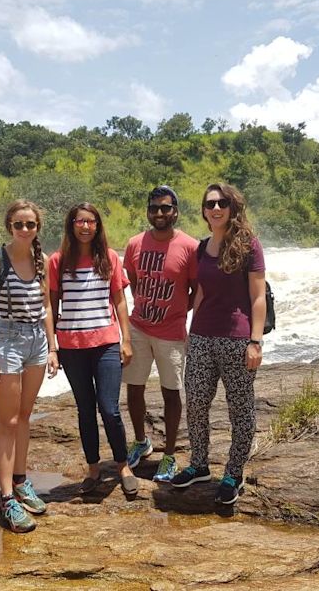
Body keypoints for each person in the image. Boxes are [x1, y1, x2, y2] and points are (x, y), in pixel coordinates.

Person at [170, 182, 266, 505]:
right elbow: (200, 292)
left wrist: (255, 341)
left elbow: (257, 297)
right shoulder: (202, 247)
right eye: (210, 203)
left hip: (237, 340)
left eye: (222, 202)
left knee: (240, 409)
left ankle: (234, 472)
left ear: (232, 207)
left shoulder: (249, 246)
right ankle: (199, 464)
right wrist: (190, 330)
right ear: (204, 210)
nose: (215, 208)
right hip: (201, 337)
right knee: (196, 401)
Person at [0, 200, 59, 533]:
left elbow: (47, 306)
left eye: (30, 225)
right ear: (9, 226)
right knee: (7, 420)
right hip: (6, 341)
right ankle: (7, 497)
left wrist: (53, 347)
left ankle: (22, 480)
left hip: (36, 341)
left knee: (25, 415)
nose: (25, 230)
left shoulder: (43, 261)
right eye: (19, 224)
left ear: (38, 228)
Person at [48, 202, 138, 496]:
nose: (85, 226)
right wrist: (53, 346)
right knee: (85, 409)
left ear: (98, 226)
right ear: (71, 225)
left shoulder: (109, 258)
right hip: (72, 346)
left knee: (109, 409)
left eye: (90, 222)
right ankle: (93, 468)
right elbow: (51, 305)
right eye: (79, 221)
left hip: (106, 344)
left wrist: (126, 339)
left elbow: (120, 300)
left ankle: (123, 464)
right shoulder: (58, 261)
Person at [123, 185, 198, 482]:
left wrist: (179, 310)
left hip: (171, 333)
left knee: (171, 391)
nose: (160, 213)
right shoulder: (134, 244)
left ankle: (169, 455)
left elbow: (196, 289)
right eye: (154, 208)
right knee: (134, 386)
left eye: (166, 208)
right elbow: (133, 280)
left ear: (176, 211)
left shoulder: (190, 247)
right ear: (147, 211)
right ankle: (142, 441)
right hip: (138, 327)